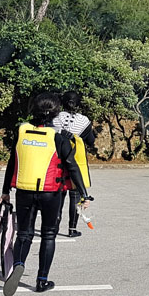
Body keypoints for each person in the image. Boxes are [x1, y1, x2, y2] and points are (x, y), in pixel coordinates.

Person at [0, 92, 92, 296]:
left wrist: (5, 191)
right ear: (56, 114)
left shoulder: (22, 131)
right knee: (48, 235)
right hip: (51, 193)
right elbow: (73, 167)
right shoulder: (58, 138)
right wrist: (84, 195)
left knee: (24, 234)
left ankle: (18, 263)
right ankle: (41, 280)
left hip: (24, 190)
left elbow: (12, 162)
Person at [53, 90, 95, 238]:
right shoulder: (84, 121)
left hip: (58, 160)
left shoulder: (55, 117)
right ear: (78, 104)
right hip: (76, 160)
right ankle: (72, 229)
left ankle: (54, 227)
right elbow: (91, 140)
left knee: (59, 195)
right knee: (75, 196)